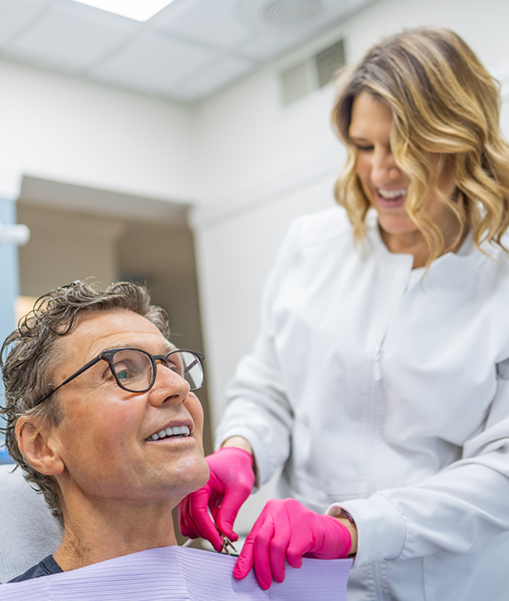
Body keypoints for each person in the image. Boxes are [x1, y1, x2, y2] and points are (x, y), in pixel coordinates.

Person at [178, 27, 509, 599]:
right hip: (308, 578)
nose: (382, 172)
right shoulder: (313, 247)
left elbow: (501, 469)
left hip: (449, 583)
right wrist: (242, 449)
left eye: (407, 147)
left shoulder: (500, 275)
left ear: (462, 139)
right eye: (364, 146)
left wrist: (355, 528)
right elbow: (271, 388)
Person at [0, 281, 209, 581]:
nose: (178, 387)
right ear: (41, 444)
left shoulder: (261, 585)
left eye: (173, 367)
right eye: (123, 372)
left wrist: (300, 578)